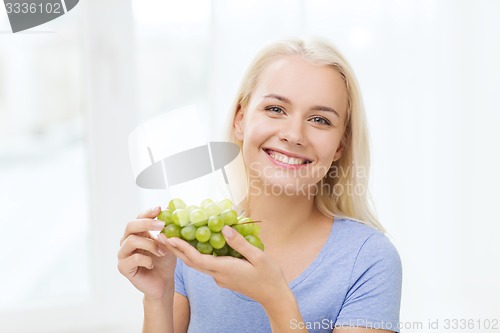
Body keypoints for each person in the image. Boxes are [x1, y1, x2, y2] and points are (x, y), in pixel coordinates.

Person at [118, 37, 402, 333]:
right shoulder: (194, 246)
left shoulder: (369, 259)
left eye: (319, 119)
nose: (294, 135)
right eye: (276, 109)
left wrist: (276, 299)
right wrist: (157, 299)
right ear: (241, 119)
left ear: (340, 145)